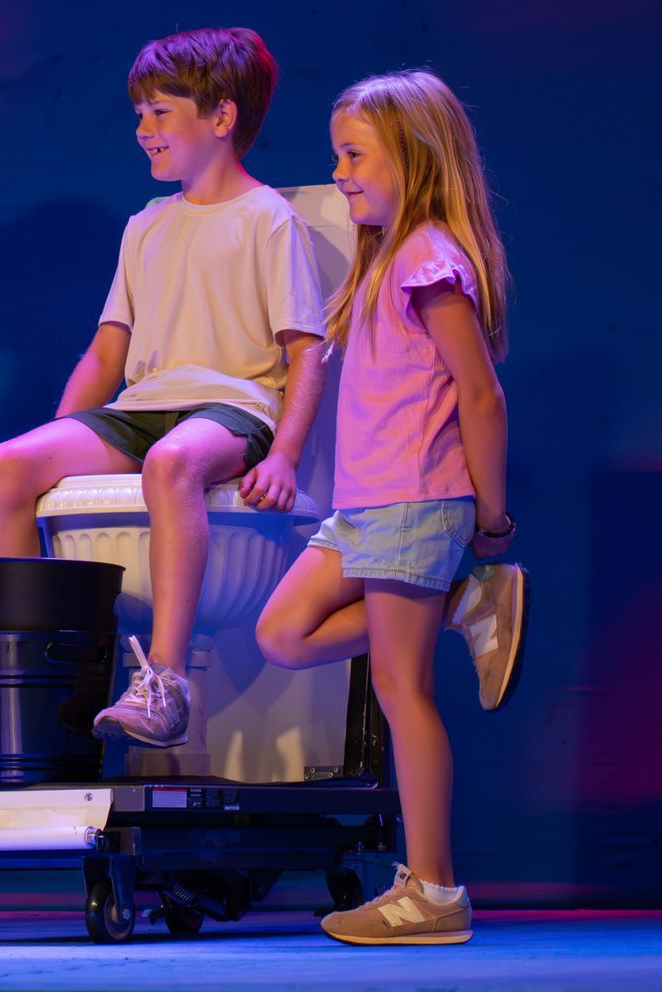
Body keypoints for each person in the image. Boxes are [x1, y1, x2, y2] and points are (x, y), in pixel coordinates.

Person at [0, 28, 325, 749]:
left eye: (160, 113)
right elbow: (108, 352)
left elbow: (305, 353)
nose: (143, 130)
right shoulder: (146, 226)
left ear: (221, 118)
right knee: (5, 465)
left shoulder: (269, 220)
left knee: (173, 462)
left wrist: (285, 455)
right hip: (143, 409)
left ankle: (165, 680)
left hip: (231, 408)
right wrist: (58, 447)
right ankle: (22, 699)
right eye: (140, 115)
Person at [255, 69, 524, 945]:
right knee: (282, 633)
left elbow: (480, 396)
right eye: (338, 154)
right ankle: (462, 604)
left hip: (416, 500)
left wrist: (490, 519)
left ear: (411, 156)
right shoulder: (385, 255)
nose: (339, 171)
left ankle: (435, 891)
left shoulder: (429, 259)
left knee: (400, 689)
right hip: (368, 506)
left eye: (354, 154)